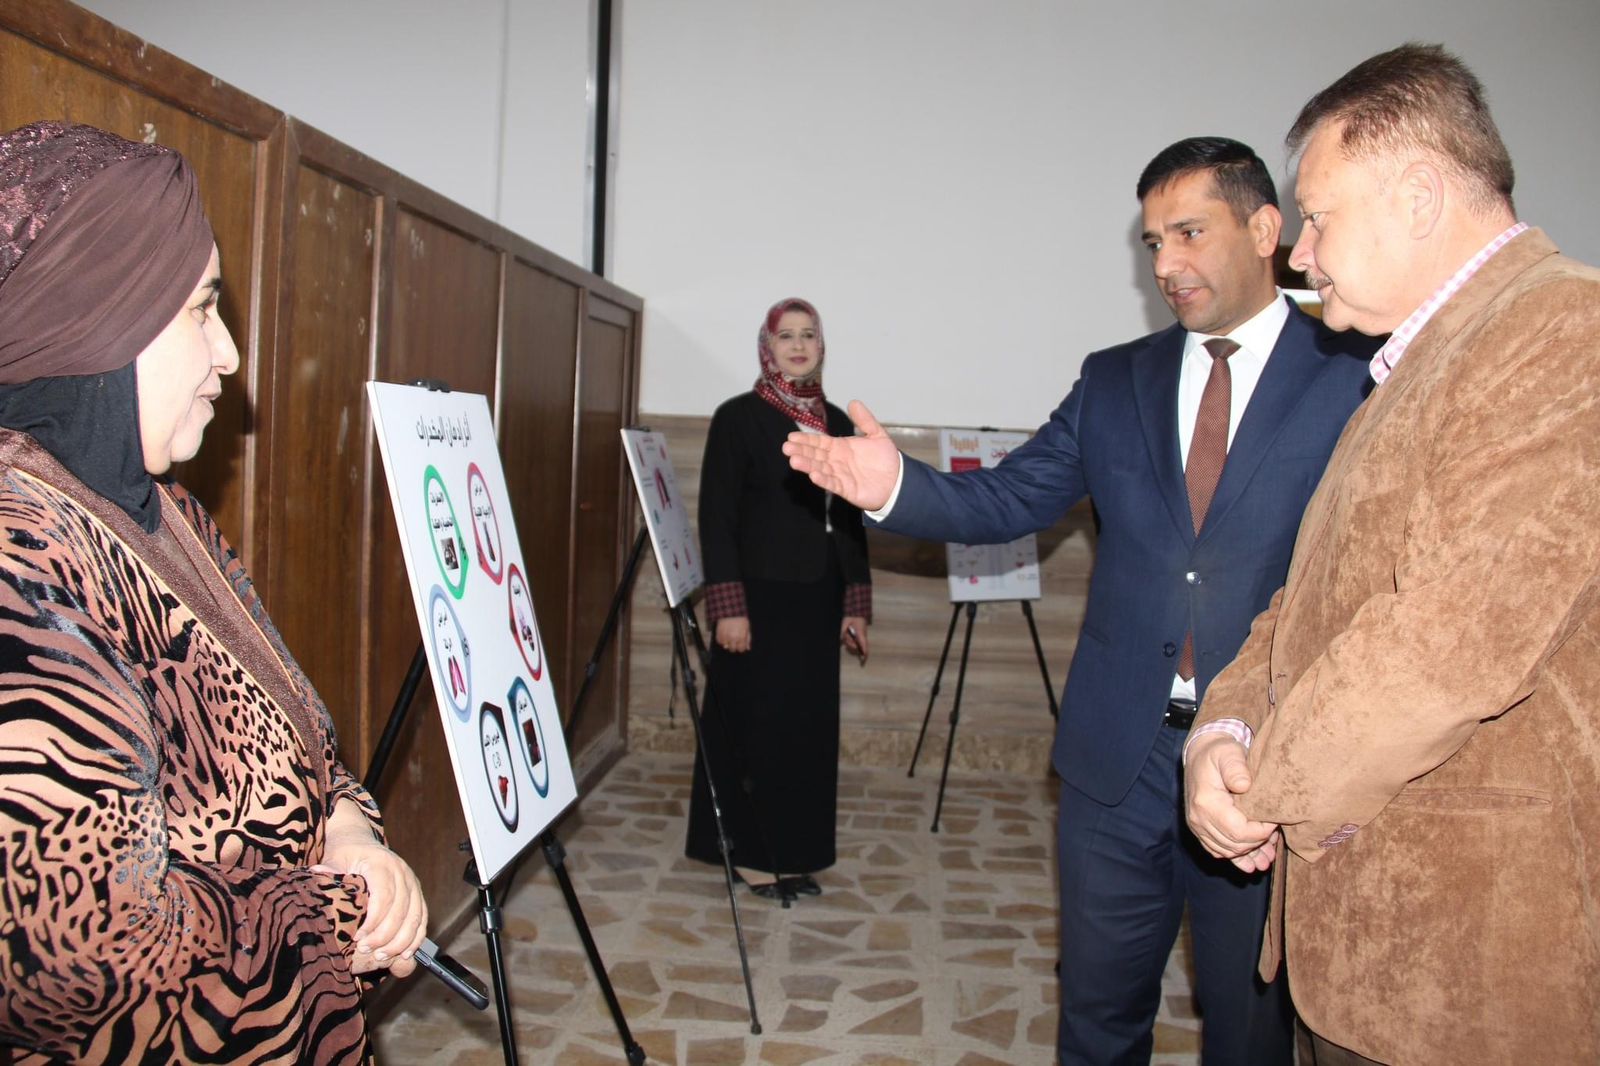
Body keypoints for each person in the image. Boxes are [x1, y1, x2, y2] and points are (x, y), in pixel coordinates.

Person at [785, 139, 1380, 1062]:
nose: (1167, 264)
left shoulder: (1355, 372)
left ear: (1266, 229)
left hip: (1264, 765)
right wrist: (894, 486)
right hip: (1116, 763)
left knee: (1250, 1031)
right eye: (1153, 243)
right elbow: (1008, 499)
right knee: (1097, 1020)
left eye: (1189, 233)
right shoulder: (1116, 379)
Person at [1183, 44, 1600, 1065]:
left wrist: (1260, 789)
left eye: (1319, 216)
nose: (1299, 254)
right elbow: (1306, 602)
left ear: (1418, 195)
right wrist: (1219, 729)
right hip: (1377, 947)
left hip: (1473, 966)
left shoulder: (1562, 328)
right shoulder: (1419, 362)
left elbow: (1450, 643)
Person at [0, 122, 426, 1064]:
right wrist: (339, 909)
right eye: (200, 311)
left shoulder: (165, 511)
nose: (229, 354)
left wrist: (349, 833)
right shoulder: (18, 554)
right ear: (96, 319)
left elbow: (304, 734)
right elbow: (78, 953)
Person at [684, 297, 871, 899]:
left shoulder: (836, 421)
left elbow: (851, 518)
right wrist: (728, 609)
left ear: (822, 346)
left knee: (806, 731)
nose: (798, 345)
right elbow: (717, 519)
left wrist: (856, 604)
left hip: (818, 601)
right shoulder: (737, 418)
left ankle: (794, 851)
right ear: (767, 347)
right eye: (785, 336)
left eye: (808, 335)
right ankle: (751, 856)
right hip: (757, 601)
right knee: (755, 727)